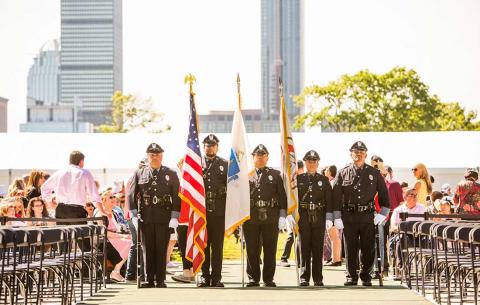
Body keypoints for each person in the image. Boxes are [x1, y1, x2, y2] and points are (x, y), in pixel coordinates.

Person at [332, 141, 390, 286]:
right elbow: (336, 197)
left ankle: (366, 275)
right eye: (355, 152)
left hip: (367, 216)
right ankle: (351, 275)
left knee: (367, 247)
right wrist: (337, 216)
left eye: (361, 152)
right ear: (350, 153)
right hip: (349, 215)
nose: (358, 154)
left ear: (366, 154)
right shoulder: (342, 172)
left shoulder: (374, 173)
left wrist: (382, 213)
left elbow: (384, 196)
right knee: (350, 247)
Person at [127, 143, 180, 288]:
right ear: (147, 156)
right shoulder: (139, 173)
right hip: (146, 216)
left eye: (157, 154)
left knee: (161, 248)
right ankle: (148, 279)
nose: (154, 157)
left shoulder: (171, 173)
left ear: (162, 156)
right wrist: (133, 215)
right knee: (147, 247)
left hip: (164, 216)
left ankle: (161, 279)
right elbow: (131, 195)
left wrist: (175, 216)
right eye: (151, 154)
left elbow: (177, 196)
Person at [244, 144, 287, 287]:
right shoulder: (246, 175)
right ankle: (253, 278)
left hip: (271, 216)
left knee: (270, 248)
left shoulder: (275, 175)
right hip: (251, 217)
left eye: (263, 155)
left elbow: (282, 196)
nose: (260, 158)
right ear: (253, 157)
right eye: (257, 155)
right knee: (252, 248)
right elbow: (240, 197)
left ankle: (268, 278)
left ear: (267, 157)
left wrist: (282, 215)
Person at [41, 151, 105, 226]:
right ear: (81, 161)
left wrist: (49, 202)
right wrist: (102, 211)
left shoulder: (59, 173)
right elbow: (94, 194)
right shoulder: (85, 172)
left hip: (61, 209)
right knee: (79, 236)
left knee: (63, 236)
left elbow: (44, 187)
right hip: (77, 210)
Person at [297, 150, 332, 286]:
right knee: (304, 247)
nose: (311, 164)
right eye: (309, 161)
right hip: (304, 215)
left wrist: (329, 217)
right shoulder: (299, 180)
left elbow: (329, 200)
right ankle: (304, 276)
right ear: (305, 163)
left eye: (314, 161)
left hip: (319, 215)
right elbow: (294, 200)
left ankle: (318, 278)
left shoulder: (323, 180)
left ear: (318, 163)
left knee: (318, 248)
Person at [197, 134, 228, 287]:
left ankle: (216, 277)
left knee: (217, 246)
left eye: (213, 145)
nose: (210, 147)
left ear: (217, 146)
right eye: (207, 145)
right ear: (203, 147)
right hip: (201, 210)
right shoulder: (196, 163)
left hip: (218, 210)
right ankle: (204, 276)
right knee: (203, 244)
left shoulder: (225, 164)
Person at [96, 188, 132, 282]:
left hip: (114, 239)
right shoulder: (100, 214)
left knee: (133, 240)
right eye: (110, 197)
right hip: (104, 242)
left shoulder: (115, 213)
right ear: (103, 200)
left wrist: (124, 234)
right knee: (131, 242)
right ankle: (116, 271)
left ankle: (126, 272)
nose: (113, 199)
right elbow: (104, 233)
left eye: (114, 197)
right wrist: (122, 236)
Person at [280, 160, 304, 268]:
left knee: (301, 236)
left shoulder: (304, 180)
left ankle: (300, 260)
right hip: (292, 211)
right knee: (292, 235)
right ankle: (284, 258)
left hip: (302, 212)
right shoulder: (291, 180)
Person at [324, 165, 342, 267]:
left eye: (326, 170)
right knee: (335, 237)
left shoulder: (331, 183)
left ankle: (336, 260)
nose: (325, 171)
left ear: (330, 172)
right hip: (335, 213)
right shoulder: (334, 182)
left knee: (334, 236)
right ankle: (335, 258)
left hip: (333, 213)